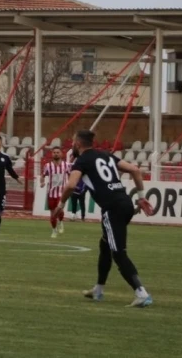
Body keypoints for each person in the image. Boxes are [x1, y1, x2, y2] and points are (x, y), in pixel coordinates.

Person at [53, 129, 153, 307]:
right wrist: (141, 196)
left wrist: (60, 204)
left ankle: (141, 293)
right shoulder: (106, 155)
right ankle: (98, 290)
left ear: (77, 144)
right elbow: (135, 170)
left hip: (112, 208)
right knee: (105, 245)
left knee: (118, 252)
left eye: (73, 143)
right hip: (126, 203)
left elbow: (70, 185)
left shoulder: (82, 161)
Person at [41, 146, 69, 238]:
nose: (56, 154)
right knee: (53, 214)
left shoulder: (66, 165)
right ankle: (54, 230)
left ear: (61, 154)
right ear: (52, 154)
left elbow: (71, 174)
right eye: (54, 152)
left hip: (62, 193)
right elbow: (43, 175)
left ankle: (60, 221)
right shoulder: (48, 166)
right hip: (51, 193)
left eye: (58, 152)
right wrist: (42, 182)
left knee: (60, 210)